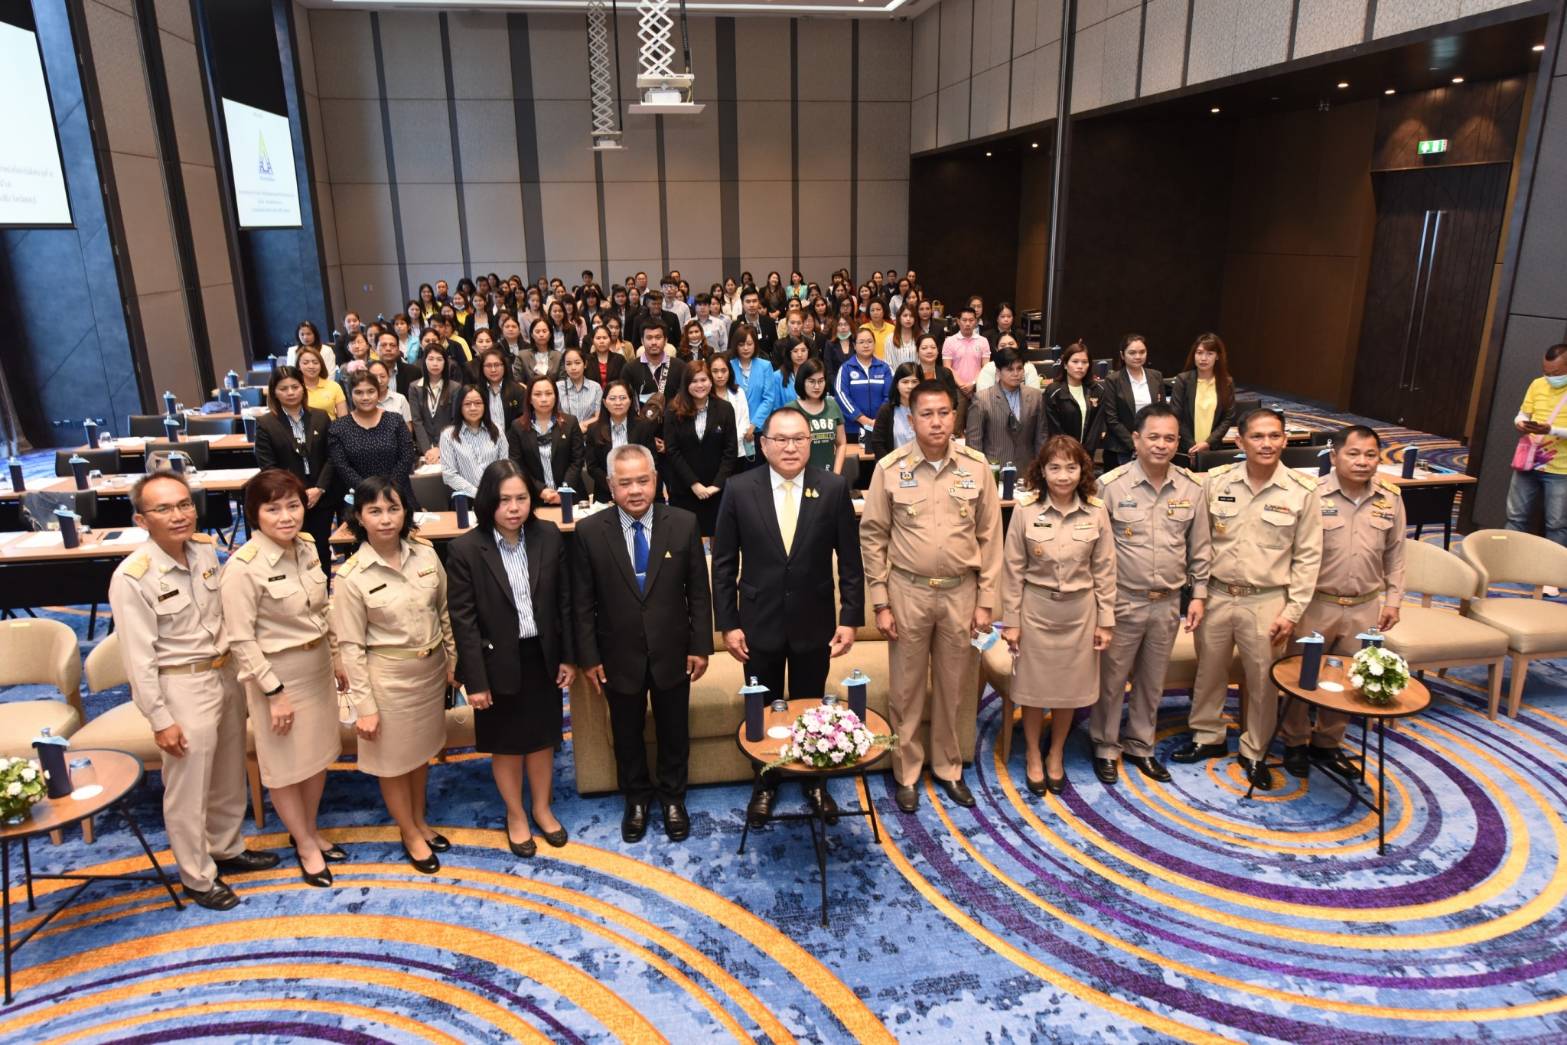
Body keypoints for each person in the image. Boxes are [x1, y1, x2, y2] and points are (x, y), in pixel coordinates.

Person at [109, 473, 279, 910]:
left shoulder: (203, 549)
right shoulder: (132, 577)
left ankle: (226, 848)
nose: (179, 515)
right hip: (181, 685)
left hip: (224, 674)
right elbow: (138, 659)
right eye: (163, 509)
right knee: (187, 787)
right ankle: (197, 876)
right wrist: (159, 719)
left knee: (227, 771)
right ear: (141, 520)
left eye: (184, 504)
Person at [712, 408, 865, 824]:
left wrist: (850, 618)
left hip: (814, 621)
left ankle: (815, 782)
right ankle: (766, 782)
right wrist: (729, 624)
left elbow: (850, 561)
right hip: (757, 622)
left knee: (810, 704)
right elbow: (723, 564)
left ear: (810, 443)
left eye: (799, 438)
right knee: (761, 707)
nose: (791, 447)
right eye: (781, 439)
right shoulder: (739, 489)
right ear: (764, 445)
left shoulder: (832, 488)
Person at [860, 380, 1003, 812]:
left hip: (961, 594)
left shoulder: (976, 467)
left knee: (954, 688)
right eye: (927, 414)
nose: (936, 422)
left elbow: (991, 537)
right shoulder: (890, 468)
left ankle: (948, 768)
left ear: (954, 417)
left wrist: (986, 601)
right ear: (911, 419)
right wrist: (881, 602)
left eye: (944, 413)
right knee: (905, 690)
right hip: (908, 593)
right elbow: (873, 537)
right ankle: (906, 772)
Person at [1171, 408, 1322, 791]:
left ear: (1285, 439)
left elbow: (1308, 558)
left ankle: (1255, 750)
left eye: (1274, 436)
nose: (1266, 444)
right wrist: (1197, 592)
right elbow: (1200, 544)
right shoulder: (1216, 482)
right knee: (1209, 671)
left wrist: (1293, 611)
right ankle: (1207, 735)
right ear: (1240, 441)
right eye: (1257, 436)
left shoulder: (1303, 491)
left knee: (1262, 680)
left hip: (1268, 600)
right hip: (1217, 595)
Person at [572, 444, 712, 843]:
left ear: (655, 480)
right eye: (625, 483)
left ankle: (673, 798)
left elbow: (698, 593)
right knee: (626, 731)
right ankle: (635, 798)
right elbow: (581, 603)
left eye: (642, 480)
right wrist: (589, 657)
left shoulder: (683, 523)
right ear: (610, 485)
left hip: (673, 650)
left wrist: (700, 646)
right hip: (617, 653)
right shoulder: (589, 532)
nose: (635, 490)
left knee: (674, 729)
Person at [220, 468, 346, 887]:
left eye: (293, 506)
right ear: (254, 514)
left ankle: (307, 829)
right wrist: (274, 693)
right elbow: (240, 639)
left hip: (317, 670)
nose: (286, 516)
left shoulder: (306, 546)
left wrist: (336, 657)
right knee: (286, 766)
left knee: (316, 757)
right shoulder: (243, 568)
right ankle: (306, 845)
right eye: (273, 509)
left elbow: (322, 610)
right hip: (277, 678)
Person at [446, 460, 576, 857]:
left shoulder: (548, 536)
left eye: (521, 498)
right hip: (495, 661)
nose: (514, 508)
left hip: (542, 655)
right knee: (506, 745)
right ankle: (516, 814)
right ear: (489, 501)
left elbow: (565, 602)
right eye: (504, 500)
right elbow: (463, 621)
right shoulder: (466, 549)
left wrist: (568, 656)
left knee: (542, 739)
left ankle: (541, 808)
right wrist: (476, 680)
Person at [331, 477, 457, 874]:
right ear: (359, 518)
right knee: (392, 762)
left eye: (393, 509)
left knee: (418, 754)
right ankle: (409, 832)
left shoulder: (426, 554)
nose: (385, 519)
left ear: (405, 513)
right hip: (387, 680)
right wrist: (365, 707)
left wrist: (454, 659)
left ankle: (419, 820)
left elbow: (444, 610)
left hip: (429, 673)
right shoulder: (351, 576)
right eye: (375, 511)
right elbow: (350, 647)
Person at [1090, 403, 1210, 785]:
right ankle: (1105, 746)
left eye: (1170, 438)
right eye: (1153, 437)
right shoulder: (1110, 486)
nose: (1162, 445)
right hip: (1122, 600)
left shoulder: (1191, 488)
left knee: (1152, 680)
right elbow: (1095, 552)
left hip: (1167, 603)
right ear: (1136, 439)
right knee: (1111, 679)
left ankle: (1140, 745)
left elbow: (1200, 546)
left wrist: (1199, 594)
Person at [1278, 425, 1405, 777]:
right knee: (1301, 674)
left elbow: (1396, 554)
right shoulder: (1311, 494)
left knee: (1348, 676)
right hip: (1316, 603)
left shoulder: (1390, 498)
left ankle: (1328, 742)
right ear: (1334, 457)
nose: (1362, 462)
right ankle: (1295, 741)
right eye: (1353, 454)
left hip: (1365, 605)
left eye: (1371, 455)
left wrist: (1393, 600)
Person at [1000, 435, 1116, 793]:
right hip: (1036, 612)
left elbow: (1105, 570)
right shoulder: (1025, 510)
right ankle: (1034, 753)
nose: (1063, 476)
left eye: (1071, 467)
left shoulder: (1095, 511)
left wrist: (1106, 621)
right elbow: (1012, 570)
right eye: (1054, 468)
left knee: (1069, 690)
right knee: (1033, 690)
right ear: (1042, 471)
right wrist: (1011, 622)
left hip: (1080, 614)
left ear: (1082, 471)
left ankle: (1056, 752)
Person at [254, 366, 337, 573]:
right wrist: (296, 494)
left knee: (320, 549)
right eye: (283, 389)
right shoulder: (266, 423)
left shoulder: (320, 417)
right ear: (274, 392)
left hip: (320, 496)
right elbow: (268, 466)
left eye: (295, 387)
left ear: (303, 388)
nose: (290, 392)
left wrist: (320, 488)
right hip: (287, 499)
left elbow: (332, 456)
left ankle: (322, 590)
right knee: (290, 551)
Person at [662, 359, 737, 537]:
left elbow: (730, 451)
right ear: (686, 384)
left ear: (711, 381)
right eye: (694, 381)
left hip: (716, 489)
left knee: (720, 537)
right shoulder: (673, 410)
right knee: (686, 540)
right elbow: (672, 451)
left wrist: (717, 485)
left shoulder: (725, 409)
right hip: (685, 489)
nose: (700, 385)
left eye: (704, 380)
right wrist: (694, 484)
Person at [328, 370, 418, 511]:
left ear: (378, 392)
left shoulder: (395, 420)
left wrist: (388, 488)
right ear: (350, 394)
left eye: (370, 391)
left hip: (397, 493)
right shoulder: (339, 427)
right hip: (360, 497)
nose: (365, 397)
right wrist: (370, 491)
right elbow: (342, 466)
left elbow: (407, 455)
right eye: (358, 392)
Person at [1505, 343, 1567, 547]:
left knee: (1556, 525)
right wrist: (1520, 423)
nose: (1550, 377)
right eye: (1546, 372)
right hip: (1528, 462)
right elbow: (1523, 413)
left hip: (1561, 469)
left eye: (1555, 373)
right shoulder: (1537, 384)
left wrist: (1551, 430)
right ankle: (1506, 559)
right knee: (1515, 517)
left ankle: (1554, 567)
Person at [508, 374, 586, 506]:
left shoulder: (570, 422)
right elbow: (517, 465)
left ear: (555, 396)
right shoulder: (518, 427)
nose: (544, 399)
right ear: (529, 399)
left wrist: (563, 491)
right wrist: (540, 490)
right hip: (535, 498)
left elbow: (577, 460)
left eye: (549, 393)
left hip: (571, 496)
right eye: (537, 394)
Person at [965, 346, 1046, 469]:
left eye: (1019, 368)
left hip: (1027, 469)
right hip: (994, 470)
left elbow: (1041, 437)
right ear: (998, 372)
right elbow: (973, 443)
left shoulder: (1036, 396)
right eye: (1010, 369)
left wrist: (1040, 469)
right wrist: (979, 472)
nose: (1016, 373)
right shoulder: (982, 399)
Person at [586, 380, 659, 502]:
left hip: (638, 492)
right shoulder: (594, 429)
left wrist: (635, 484)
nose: (618, 403)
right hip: (605, 495)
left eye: (623, 398)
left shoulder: (644, 427)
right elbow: (592, 467)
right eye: (612, 398)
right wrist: (614, 487)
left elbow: (652, 461)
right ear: (604, 402)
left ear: (630, 401)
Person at [1101, 334, 1166, 470]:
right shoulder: (1113, 380)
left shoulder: (1156, 376)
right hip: (1121, 447)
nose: (1138, 356)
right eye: (1132, 353)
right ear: (1122, 355)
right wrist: (1135, 443)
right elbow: (1112, 419)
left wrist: (1151, 441)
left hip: (1152, 445)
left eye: (1142, 352)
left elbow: (1162, 412)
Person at [1170, 332, 1236, 459]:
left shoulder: (1226, 382)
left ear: (1217, 356)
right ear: (1194, 355)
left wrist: (1208, 443)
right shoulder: (1183, 380)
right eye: (1199, 353)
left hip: (1213, 448)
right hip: (1185, 448)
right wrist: (1192, 446)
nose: (1203, 358)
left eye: (1209, 353)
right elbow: (1176, 416)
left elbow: (1228, 417)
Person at [440, 385, 509, 500]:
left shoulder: (497, 430)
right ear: (460, 406)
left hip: (496, 495)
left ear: (485, 405)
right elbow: (449, 475)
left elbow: (504, 465)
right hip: (466, 497)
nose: (473, 408)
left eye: (478, 403)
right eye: (467, 404)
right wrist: (477, 493)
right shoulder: (448, 435)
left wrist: (494, 492)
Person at [1044, 341, 1108, 455]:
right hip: (1060, 452)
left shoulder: (1098, 390)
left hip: (1087, 454)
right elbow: (1054, 428)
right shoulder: (1053, 391)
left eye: (1084, 362)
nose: (1080, 366)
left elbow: (1096, 427)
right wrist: (1070, 450)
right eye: (1075, 361)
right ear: (1065, 365)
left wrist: (1085, 453)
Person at [835, 325, 894, 444]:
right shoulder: (846, 368)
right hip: (853, 429)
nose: (866, 345)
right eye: (861, 342)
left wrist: (878, 420)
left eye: (869, 342)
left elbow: (890, 395)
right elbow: (842, 397)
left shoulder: (885, 368)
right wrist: (862, 419)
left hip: (881, 427)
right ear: (854, 345)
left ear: (874, 344)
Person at [728, 326, 778, 465]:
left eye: (749, 344)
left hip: (758, 429)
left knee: (756, 468)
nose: (746, 348)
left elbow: (768, 399)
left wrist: (753, 425)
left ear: (755, 344)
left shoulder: (765, 366)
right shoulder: (729, 366)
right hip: (734, 428)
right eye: (741, 344)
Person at [410, 344, 462, 465]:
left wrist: (439, 448)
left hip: (449, 446)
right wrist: (427, 450)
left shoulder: (455, 387)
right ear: (424, 361)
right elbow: (417, 421)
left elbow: (455, 421)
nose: (435, 363)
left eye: (439, 359)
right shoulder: (414, 387)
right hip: (424, 451)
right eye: (431, 359)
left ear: (445, 363)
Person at [792, 359, 845, 473]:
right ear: (802, 381)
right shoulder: (791, 409)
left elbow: (841, 443)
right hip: (800, 476)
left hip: (829, 474)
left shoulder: (832, 405)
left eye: (821, 381)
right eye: (811, 381)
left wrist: (836, 475)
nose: (817, 386)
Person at [623, 322, 687, 404]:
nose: (654, 342)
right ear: (642, 341)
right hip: (641, 412)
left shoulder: (680, 367)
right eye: (649, 338)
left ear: (665, 340)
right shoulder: (630, 369)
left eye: (658, 337)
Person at [708, 353, 754, 463]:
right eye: (715, 371)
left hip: (737, 449)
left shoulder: (738, 392)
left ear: (730, 371)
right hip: (711, 452)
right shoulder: (705, 395)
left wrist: (730, 442)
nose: (720, 375)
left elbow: (744, 421)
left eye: (724, 371)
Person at [870, 362, 921, 460]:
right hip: (894, 465)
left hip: (923, 465)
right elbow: (877, 443)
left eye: (914, 382)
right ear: (897, 385)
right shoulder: (886, 410)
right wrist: (890, 465)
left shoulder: (927, 409)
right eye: (905, 382)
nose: (910, 386)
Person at [941, 306, 990, 401]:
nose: (968, 323)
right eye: (964, 320)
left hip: (978, 388)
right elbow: (947, 367)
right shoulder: (949, 341)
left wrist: (973, 383)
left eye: (971, 320)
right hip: (957, 389)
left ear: (976, 322)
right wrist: (962, 386)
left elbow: (985, 367)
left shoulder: (983, 341)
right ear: (958, 321)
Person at [475, 346, 527, 430]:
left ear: (504, 366)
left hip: (513, 436)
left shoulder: (518, 390)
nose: (493, 370)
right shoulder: (476, 392)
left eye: (497, 365)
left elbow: (523, 418)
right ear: (482, 368)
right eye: (488, 365)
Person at [556, 346, 603, 430]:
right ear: (564, 367)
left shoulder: (595, 387)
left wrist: (583, 425)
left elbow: (598, 416)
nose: (573, 368)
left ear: (585, 364)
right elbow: (553, 415)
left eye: (577, 363)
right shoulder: (558, 387)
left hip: (589, 433)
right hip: (565, 433)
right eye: (568, 364)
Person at [297, 345, 347, 419]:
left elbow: (343, 419)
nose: (311, 366)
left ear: (321, 365)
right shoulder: (294, 389)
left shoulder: (334, 386)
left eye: (315, 362)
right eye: (305, 363)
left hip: (331, 426)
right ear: (299, 366)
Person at [376, 330, 420, 396]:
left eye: (392, 345)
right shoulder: (367, 372)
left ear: (398, 350)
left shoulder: (414, 372)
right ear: (376, 349)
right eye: (383, 345)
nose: (388, 349)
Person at [585, 322, 627, 389]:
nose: (601, 341)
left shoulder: (620, 359)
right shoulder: (586, 360)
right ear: (593, 341)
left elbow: (624, 382)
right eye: (598, 338)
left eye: (605, 338)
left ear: (610, 340)